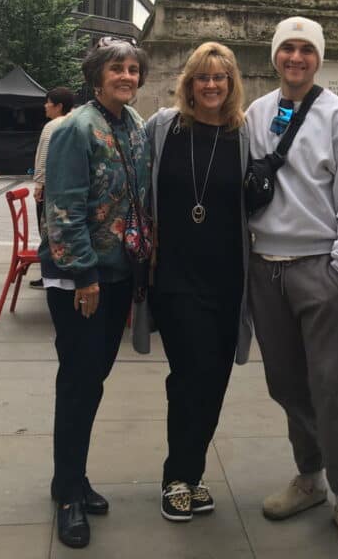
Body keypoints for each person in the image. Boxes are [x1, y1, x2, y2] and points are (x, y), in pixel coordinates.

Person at [246, 16, 338, 553]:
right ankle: (309, 475)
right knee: (284, 381)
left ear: (317, 58)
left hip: (318, 265)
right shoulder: (257, 112)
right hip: (264, 266)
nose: (295, 58)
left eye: (305, 50)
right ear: (275, 55)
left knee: (330, 383)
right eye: (287, 49)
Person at [39, 38, 151, 549]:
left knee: (93, 379)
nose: (126, 76)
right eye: (116, 69)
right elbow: (63, 209)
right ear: (95, 75)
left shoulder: (132, 126)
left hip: (119, 275)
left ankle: (75, 476)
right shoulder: (74, 129)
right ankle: (67, 492)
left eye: (132, 69)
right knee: (79, 382)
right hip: (82, 281)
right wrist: (83, 275)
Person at [142, 42, 253, 522]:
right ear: (189, 83)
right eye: (202, 77)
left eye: (220, 78)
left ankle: (192, 472)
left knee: (216, 380)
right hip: (175, 277)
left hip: (228, 279)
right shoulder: (163, 127)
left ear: (231, 85)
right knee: (189, 377)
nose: (211, 85)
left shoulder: (244, 135)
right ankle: (176, 477)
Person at [30, 86, 75, 288]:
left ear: (58, 106)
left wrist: (39, 183)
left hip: (50, 187)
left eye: (48, 102)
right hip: (68, 186)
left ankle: (49, 274)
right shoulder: (76, 122)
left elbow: (43, 157)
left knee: (47, 233)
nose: (45, 105)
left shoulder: (52, 126)